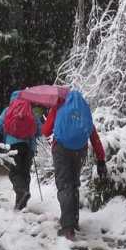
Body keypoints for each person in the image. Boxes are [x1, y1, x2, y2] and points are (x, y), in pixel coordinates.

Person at [42, 90, 108, 240]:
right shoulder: (83, 111)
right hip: (80, 150)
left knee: (64, 185)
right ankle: (74, 221)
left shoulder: (59, 106)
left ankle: (67, 228)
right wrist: (101, 158)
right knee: (73, 185)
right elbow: (93, 134)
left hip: (61, 150)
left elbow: (45, 131)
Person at [0, 90, 43, 210]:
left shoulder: (8, 110)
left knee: (15, 173)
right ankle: (20, 205)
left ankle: (22, 194)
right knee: (24, 174)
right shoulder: (30, 111)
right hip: (28, 147)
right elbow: (40, 131)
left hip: (12, 147)